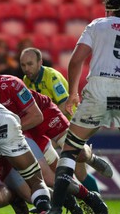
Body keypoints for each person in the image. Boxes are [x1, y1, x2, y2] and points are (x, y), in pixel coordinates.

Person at [32, 0, 120, 214]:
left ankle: (56, 209)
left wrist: (74, 92)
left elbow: (76, 60)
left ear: (108, 9)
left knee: (70, 149)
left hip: (99, 88)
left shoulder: (97, 25)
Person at [0, 69, 110, 214]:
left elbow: (36, 116)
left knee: (78, 154)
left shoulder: (11, 84)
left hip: (39, 115)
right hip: (20, 130)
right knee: (45, 181)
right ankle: (81, 199)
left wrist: (6, 130)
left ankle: (91, 159)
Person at [20, 47, 104, 193]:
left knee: (80, 173)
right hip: (49, 128)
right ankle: (52, 201)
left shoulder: (52, 76)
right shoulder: (26, 81)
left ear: (40, 62)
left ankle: (96, 198)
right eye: (23, 65)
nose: (26, 68)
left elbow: (66, 107)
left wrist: (47, 130)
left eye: (30, 64)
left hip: (69, 124)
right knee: (47, 167)